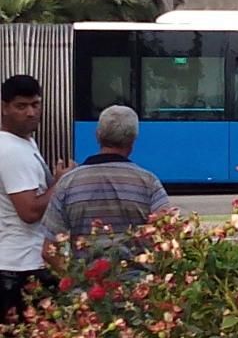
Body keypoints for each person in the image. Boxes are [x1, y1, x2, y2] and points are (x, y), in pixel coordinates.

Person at [41, 105, 170, 263]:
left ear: (97, 136)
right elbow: (168, 236)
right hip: (138, 283)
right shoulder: (149, 183)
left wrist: (76, 278)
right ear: (133, 140)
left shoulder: (68, 183)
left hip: (85, 285)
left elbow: (49, 251)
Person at [0, 75, 73, 322]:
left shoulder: (24, 143)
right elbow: (29, 212)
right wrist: (62, 184)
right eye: (21, 106)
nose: (31, 112)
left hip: (25, 262)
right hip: (19, 268)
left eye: (35, 104)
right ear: (4, 107)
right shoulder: (10, 150)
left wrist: (53, 182)